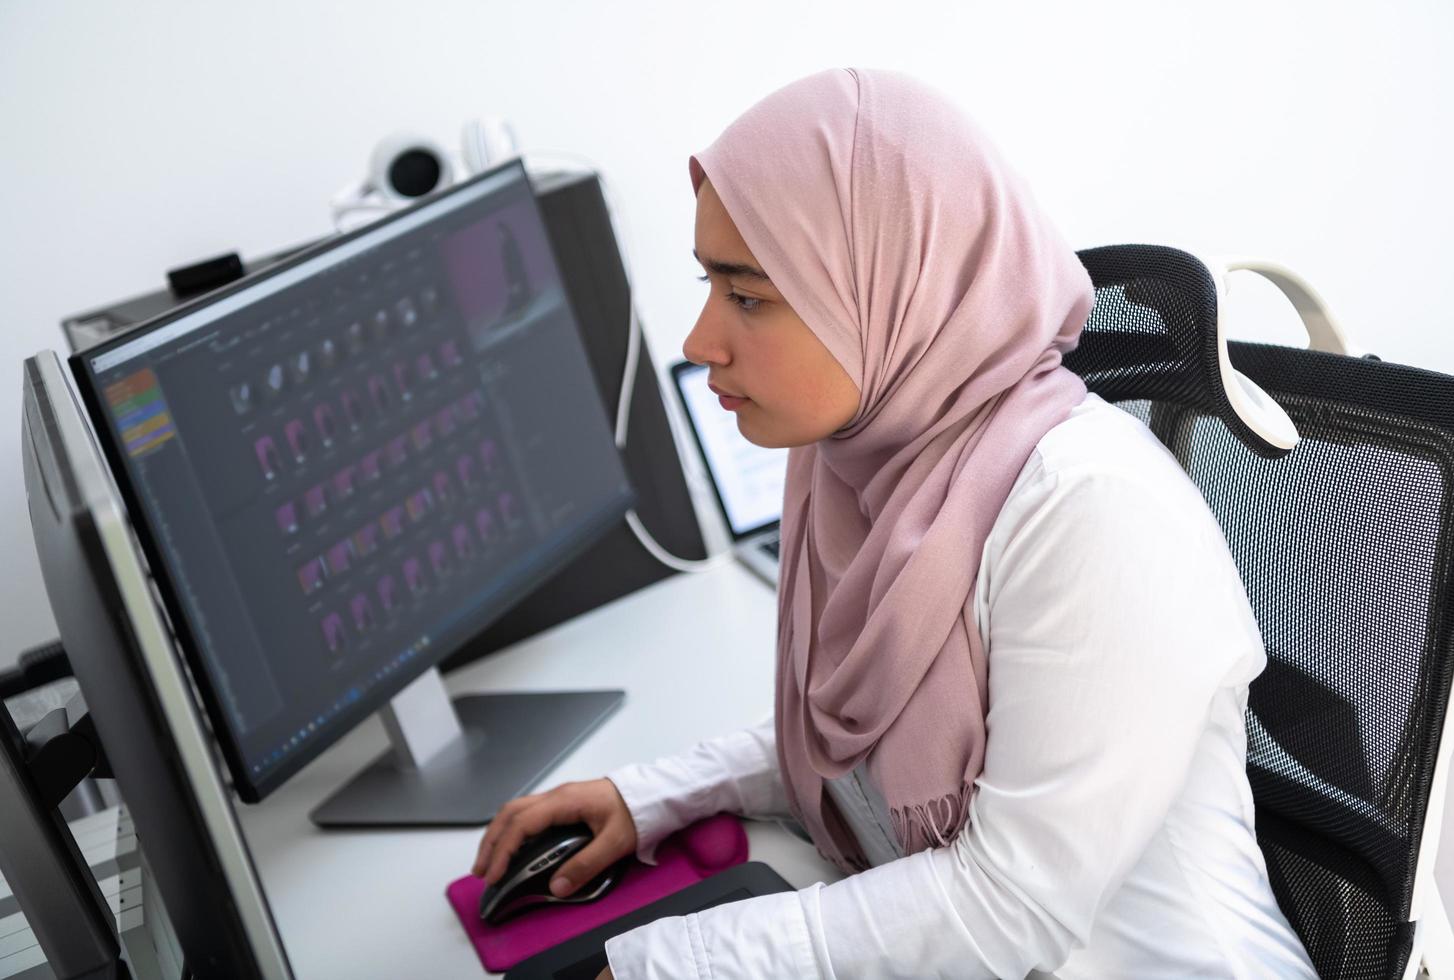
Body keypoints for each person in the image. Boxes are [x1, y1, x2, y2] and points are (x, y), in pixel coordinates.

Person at [471, 67, 1318, 979]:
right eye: (709, 286)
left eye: (747, 296)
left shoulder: (1091, 512)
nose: (699, 341)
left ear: (889, 288)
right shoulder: (861, 466)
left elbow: (1008, 906)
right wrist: (659, 795)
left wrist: (668, 966)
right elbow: (865, 749)